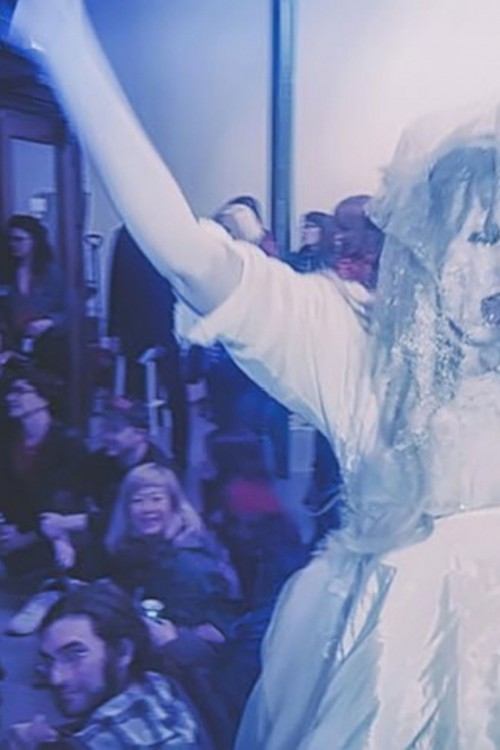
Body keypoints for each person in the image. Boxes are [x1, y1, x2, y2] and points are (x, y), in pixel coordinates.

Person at [7, 2, 500, 747]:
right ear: (425, 245)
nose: (492, 270)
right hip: (397, 676)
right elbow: (188, 256)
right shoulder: (358, 347)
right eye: (480, 237)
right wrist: (69, 48)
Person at [6, 581, 205, 748]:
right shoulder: (159, 683)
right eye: (49, 660)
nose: (56, 677)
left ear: (123, 651)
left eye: (75, 655)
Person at [108, 226, 189, 473]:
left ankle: (179, 457)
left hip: (163, 324)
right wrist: (113, 331)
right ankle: (139, 456)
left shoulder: (170, 233)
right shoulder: (126, 235)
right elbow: (116, 283)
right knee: (136, 397)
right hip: (134, 326)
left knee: (175, 395)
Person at [1, 214, 68, 380]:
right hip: (13, 348)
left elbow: (70, 311)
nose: (13, 244)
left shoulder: (51, 274)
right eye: (10, 240)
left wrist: (49, 322)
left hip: (48, 347)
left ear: (34, 241)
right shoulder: (5, 274)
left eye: (19, 240)